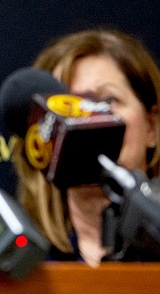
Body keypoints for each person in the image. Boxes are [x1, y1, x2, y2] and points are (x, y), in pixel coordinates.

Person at [11, 28, 160, 266]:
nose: (85, 120)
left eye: (107, 101)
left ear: (152, 127)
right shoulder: (16, 259)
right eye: (66, 106)